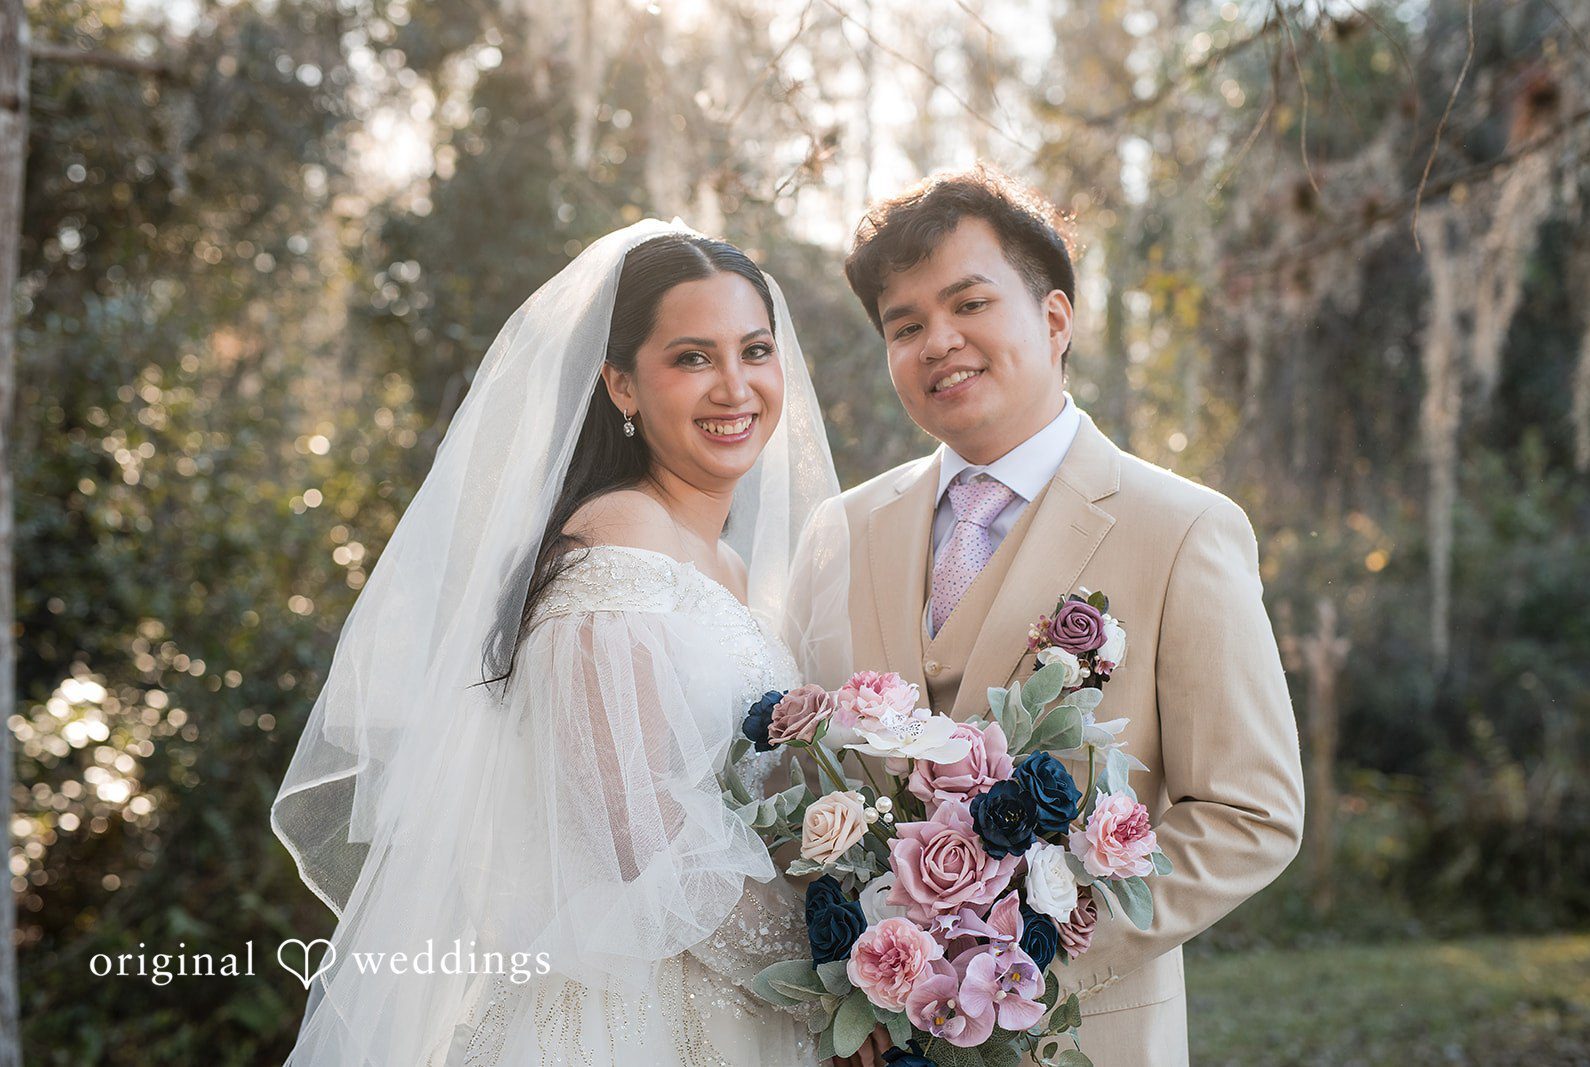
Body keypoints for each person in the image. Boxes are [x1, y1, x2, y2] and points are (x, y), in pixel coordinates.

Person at [271, 220, 839, 1066]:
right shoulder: (613, 554)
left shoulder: (724, 563)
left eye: (754, 351)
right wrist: (838, 979)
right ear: (621, 385)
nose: (734, 386)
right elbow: (649, 843)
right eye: (692, 358)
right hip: (632, 1021)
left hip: (749, 1005)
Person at [821, 164, 1306, 1066]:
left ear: (1053, 319)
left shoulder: (1183, 530)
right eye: (906, 325)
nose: (939, 341)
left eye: (969, 303)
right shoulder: (841, 530)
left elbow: (1252, 811)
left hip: (1084, 1036)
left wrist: (1031, 941)